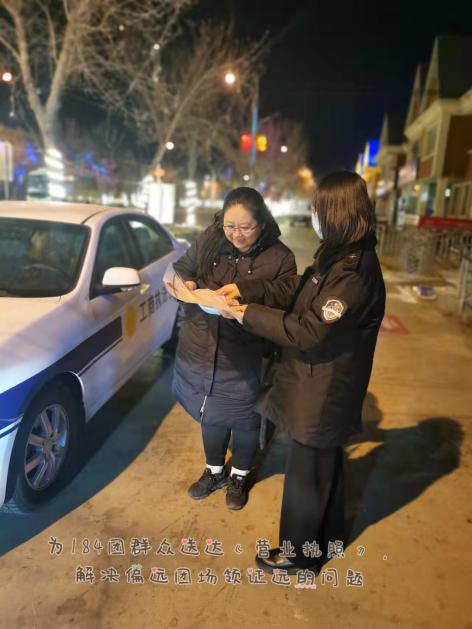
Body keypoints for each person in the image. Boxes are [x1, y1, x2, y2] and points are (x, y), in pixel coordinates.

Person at [217, 171, 386, 571]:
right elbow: (300, 289)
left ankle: (297, 556)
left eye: (317, 208)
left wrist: (247, 315)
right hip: (320, 384)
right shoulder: (339, 255)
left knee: (306, 479)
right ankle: (327, 540)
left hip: (324, 390)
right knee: (324, 470)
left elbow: (309, 331)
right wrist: (248, 291)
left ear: (336, 212)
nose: (313, 215)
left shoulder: (352, 273)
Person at [172, 187, 297, 510]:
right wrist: (187, 284)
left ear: (262, 223)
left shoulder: (281, 257)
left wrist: (245, 291)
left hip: (246, 352)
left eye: (245, 227)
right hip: (202, 343)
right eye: (229, 226)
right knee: (211, 413)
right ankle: (214, 471)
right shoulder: (210, 239)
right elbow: (183, 266)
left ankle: (239, 476)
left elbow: (286, 295)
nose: (236, 234)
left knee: (245, 417)